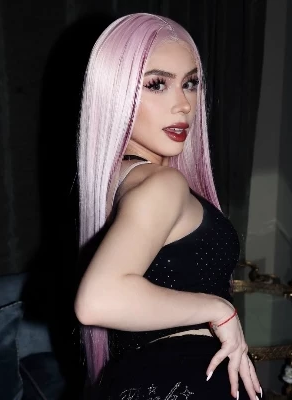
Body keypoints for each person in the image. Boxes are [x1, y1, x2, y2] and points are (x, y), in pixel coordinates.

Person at [74, 13, 263, 400]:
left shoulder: (117, 181)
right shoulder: (162, 184)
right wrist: (218, 309)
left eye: (190, 83)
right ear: (114, 92)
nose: (183, 105)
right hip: (189, 379)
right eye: (157, 84)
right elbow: (97, 301)